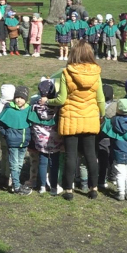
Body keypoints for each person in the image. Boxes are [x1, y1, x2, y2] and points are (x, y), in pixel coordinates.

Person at [42, 42, 105, 201]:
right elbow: (100, 98)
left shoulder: (66, 73)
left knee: (71, 156)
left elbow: (61, 99)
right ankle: (93, 188)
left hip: (70, 118)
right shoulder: (96, 73)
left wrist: (47, 102)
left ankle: (69, 189)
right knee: (90, 154)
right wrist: (102, 114)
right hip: (90, 118)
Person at [28, 79, 62, 195]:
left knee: (43, 162)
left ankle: (42, 186)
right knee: (54, 164)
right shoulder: (57, 107)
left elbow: (31, 121)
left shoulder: (35, 105)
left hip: (40, 140)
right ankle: (53, 187)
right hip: (55, 140)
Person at [0, 86, 32, 195]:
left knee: (19, 163)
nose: (19, 100)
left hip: (23, 142)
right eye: (17, 97)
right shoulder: (8, 108)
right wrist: (7, 134)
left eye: (22, 98)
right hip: (12, 142)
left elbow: (31, 123)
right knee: (14, 163)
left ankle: (15, 183)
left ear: (25, 99)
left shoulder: (28, 109)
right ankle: (16, 186)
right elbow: (0, 124)